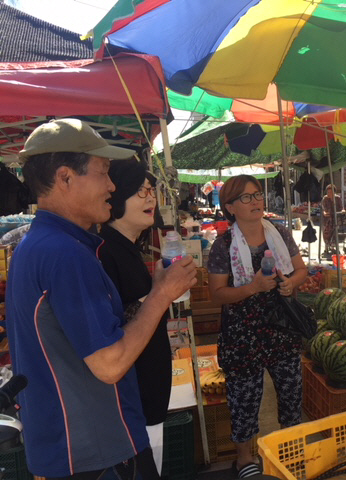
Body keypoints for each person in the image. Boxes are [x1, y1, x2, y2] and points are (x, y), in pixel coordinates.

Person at [5, 119, 197, 478]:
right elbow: (109, 364)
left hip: (76, 447)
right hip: (94, 452)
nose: (111, 186)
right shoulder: (65, 254)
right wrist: (161, 295)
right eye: (103, 173)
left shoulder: (41, 244)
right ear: (65, 178)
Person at [207, 175, 307, 479]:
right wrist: (253, 287)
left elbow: (301, 270)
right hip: (243, 334)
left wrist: (290, 282)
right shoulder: (223, 246)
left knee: (291, 393)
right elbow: (216, 294)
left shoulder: (279, 233)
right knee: (244, 398)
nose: (256, 202)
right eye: (247, 198)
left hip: (281, 328)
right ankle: (244, 459)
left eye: (258, 195)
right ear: (230, 207)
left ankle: (290, 450)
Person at [98, 158, 170, 474]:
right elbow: (115, 324)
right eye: (141, 191)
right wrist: (161, 293)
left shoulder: (126, 248)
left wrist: (158, 288)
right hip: (131, 402)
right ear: (117, 197)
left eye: (151, 190)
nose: (151, 198)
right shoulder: (104, 252)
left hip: (147, 396)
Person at [321, 184, 345, 256]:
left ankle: (333, 246)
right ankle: (327, 247)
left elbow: (341, 207)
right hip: (327, 219)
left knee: (335, 232)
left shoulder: (337, 198)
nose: (329, 194)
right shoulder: (325, 199)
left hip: (335, 218)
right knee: (326, 233)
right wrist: (324, 212)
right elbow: (323, 208)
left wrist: (343, 210)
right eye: (328, 192)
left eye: (331, 192)